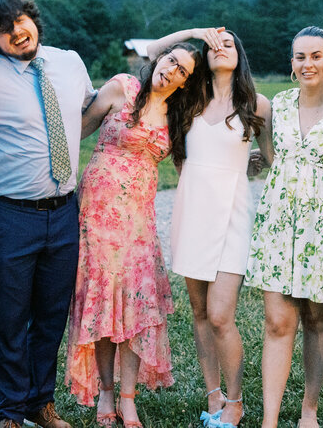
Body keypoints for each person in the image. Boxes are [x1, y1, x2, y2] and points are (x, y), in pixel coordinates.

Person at [65, 43, 202, 427]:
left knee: (136, 307)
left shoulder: (178, 114)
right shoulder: (123, 87)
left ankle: (128, 398)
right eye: (171, 60)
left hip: (139, 222)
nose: (172, 70)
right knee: (104, 305)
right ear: (160, 58)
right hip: (97, 215)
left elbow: (195, 162)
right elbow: (77, 131)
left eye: (183, 71)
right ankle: (105, 393)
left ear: (186, 83)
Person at [0, 0, 96, 428]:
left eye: (20, 21)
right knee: (8, 319)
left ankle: (40, 403)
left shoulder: (69, 62)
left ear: (33, 19)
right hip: (10, 216)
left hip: (64, 214)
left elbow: (91, 107)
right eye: (3, 30)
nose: (16, 32)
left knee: (50, 317)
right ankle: (11, 411)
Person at [147, 27, 271, 428]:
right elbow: (153, 51)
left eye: (229, 43)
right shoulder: (188, 100)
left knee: (220, 315)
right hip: (192, 210)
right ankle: (213, 396)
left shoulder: (257, 104)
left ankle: (235, 402)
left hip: (233, 212)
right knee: (199, 312)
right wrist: (196, 33)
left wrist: (250, 161)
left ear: (240, 55)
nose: (221, 48)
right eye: (213, 45)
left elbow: (269, 158)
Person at [245, 26, 323, 428]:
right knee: (278, 322)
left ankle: (308, 409)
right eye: (300, 57)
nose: (307, 63)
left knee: (317, 320)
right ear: (291, 63)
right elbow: (265, 155)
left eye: (315, 56)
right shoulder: (277, 103)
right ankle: (270, 421)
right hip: (279, 224)